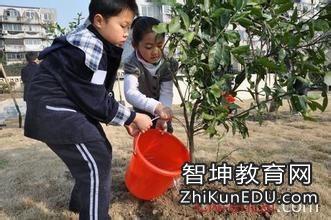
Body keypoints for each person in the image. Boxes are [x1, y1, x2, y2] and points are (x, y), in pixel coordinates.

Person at [24, 1, 171, 219]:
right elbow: (94, 99)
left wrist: (126, 120)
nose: (126, 33)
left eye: (129, 27)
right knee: (97, 157)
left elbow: (93, 95)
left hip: (66, 107)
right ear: (99, 20)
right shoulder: (86, 47)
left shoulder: (95, 41)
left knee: (98, 151)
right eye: (123, 25)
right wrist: (131, 116)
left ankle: (81, 204)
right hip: (55, 111)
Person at [124, 16, 177, 133]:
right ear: (135, 45)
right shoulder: (132, 63)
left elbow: (166, 92)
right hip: (141, 119)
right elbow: (130, 93)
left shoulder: (167, 63)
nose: (155, 51)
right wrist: (156, 107)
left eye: (159, 45)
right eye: (149, 47)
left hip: (162, 116)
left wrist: (163, 116)